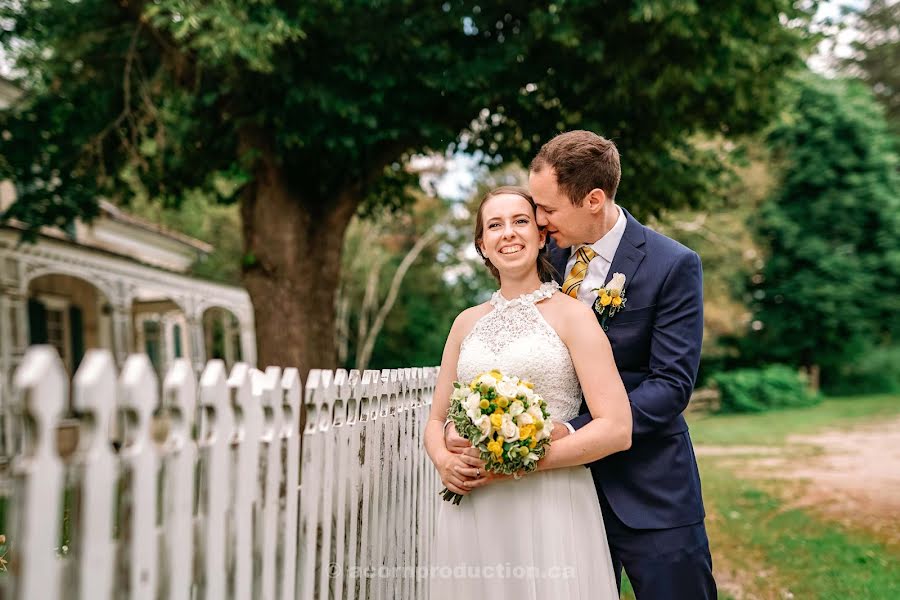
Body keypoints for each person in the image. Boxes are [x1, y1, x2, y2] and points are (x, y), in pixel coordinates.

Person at [456, 131, 717, 599]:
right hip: (554, 499)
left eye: (548, 209)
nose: (537, 219)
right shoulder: (543, 253)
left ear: (593, 199)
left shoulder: (672, 264)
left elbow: (671, 383)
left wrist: (572, 430)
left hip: (648, 487)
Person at [424, 186, 632, 599]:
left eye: (520, 221)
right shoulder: (465, 323)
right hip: (475, 508)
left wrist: (520, 463)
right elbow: (435, 420)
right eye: (495, 225)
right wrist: (444, 460)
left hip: (550, 500)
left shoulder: (575, 317)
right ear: (482, 245)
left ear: (541, 235)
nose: (509, 233)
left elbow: (616, 428)